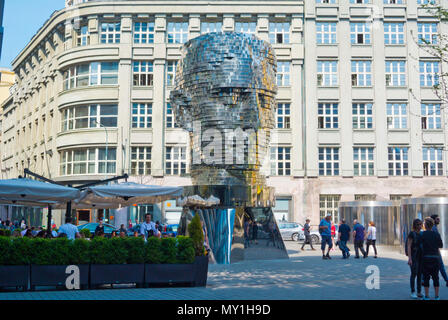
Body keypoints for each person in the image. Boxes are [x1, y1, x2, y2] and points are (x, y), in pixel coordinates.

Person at [420, 217, 443, 300]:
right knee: (435, 277)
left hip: (425, 258)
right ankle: (437, 296)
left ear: (425, 225)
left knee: (426, 277)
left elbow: (419, 245)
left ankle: (427, 296)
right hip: (435, 258)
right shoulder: (436, 234)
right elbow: (440, 245)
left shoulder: (422, 234)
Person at [407, 218, 423, 299]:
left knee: (420, 274)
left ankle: (419, 292)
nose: (420, 226)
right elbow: (409, 246)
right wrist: (409, 258)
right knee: (414, 274)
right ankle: (413, 291)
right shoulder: (412, 233)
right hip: (414, 256)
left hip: (421, 256)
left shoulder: (422, 233)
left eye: (421, 224)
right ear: (415, 225)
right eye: (418, 224)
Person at [430, 214, 448, 287]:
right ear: (434, 220)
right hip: (435, 251)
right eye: (437, 219)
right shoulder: (434, 228)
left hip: (434, 250)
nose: (439, 220)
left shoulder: (434, 227)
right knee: (440, 265)